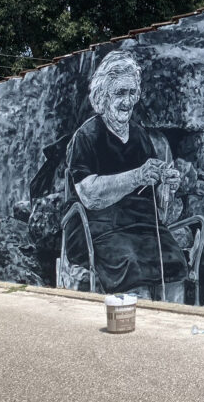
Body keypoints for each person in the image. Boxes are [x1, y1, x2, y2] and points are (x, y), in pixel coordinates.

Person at [65, 50, 187, 302]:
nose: (127, 101)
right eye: (120, 93)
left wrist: (167, 186)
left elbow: (157, 206)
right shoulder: (86, 137)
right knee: (132, 265)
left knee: (174, 262)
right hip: (100, 229)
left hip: (141, 226)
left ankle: (174, 328)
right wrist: (137, 176)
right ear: (102, 95)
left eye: (132, 93)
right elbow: (89, 196)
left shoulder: (140, 136)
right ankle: (137, 330)